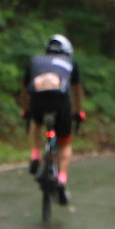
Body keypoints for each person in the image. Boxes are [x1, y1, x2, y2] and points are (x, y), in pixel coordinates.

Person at [19, 34, 85, 205]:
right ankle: (61, 180)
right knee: (64, 143)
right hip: (60, 100)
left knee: (35, 122)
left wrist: (26, 110)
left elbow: (24, 90)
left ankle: (35, 156)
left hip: (37, 98)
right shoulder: (71, 63)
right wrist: (79, 112)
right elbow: (76, 91)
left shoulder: (35, 61)